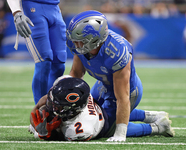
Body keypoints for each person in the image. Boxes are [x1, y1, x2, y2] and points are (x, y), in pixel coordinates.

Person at [66, 10, 173, 142]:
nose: (77, 45)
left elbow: (122, 97)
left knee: (103, 129)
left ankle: (158, 127)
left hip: (128, 91)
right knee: (90, 114)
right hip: (103, 84)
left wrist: (120, 133)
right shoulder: (83, 47)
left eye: (81, 41)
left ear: (95, 39)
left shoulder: (117, 51)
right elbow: (76, 75)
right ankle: (151, 115)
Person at [29, 76, 174, 141]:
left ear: (72, 109)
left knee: (115, 128)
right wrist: (36, 118)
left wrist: (47, 135)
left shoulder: (78, 128)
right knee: (115, 108)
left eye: (57, 105)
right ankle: (154, 114)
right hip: (94, 104)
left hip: (101, 124)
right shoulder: (75, 97)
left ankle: (159, 127)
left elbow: (63, 137)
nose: (51, 105)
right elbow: (40, 105)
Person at [6, 0, 67, 104]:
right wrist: (16, 12)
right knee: (44, 61)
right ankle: (40, 111)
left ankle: (51, 107)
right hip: (32, 7)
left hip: (54, 8)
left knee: (59, 64)